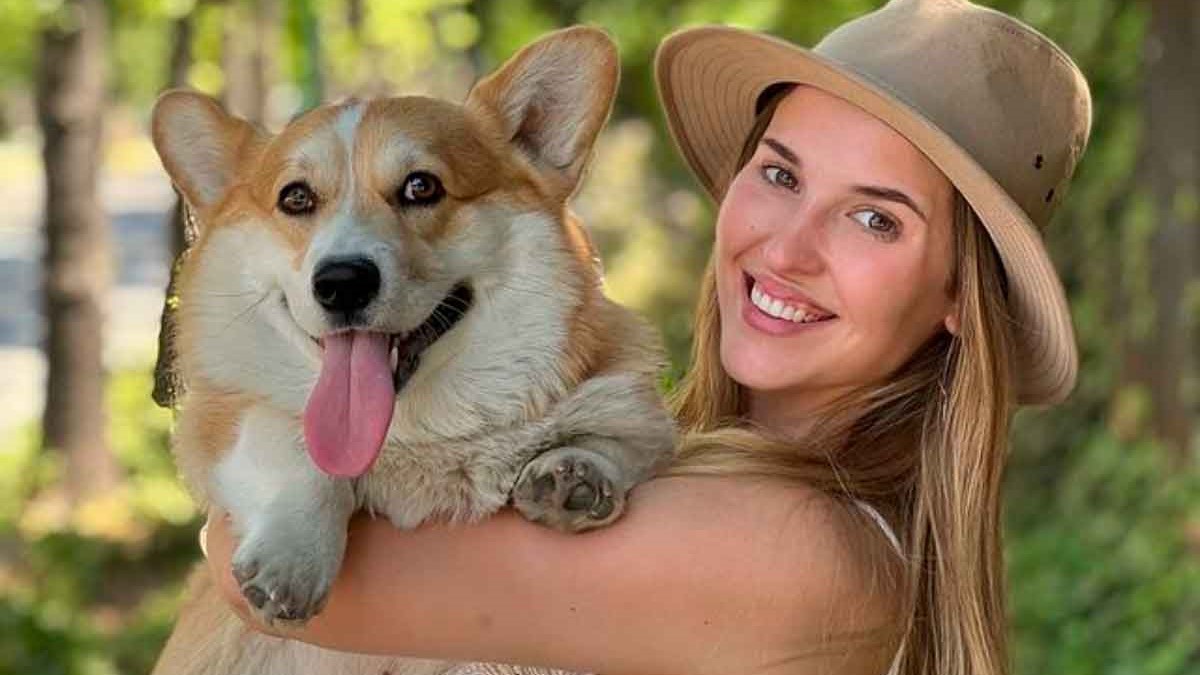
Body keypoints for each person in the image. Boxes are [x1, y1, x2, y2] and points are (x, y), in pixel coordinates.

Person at [200, 1, 1092, 673]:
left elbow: (264, 585)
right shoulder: (698, 467)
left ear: (960, 299)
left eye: (874, 220)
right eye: (780, 173)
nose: (785, 247)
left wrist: (260, 488)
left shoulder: (801, 548)